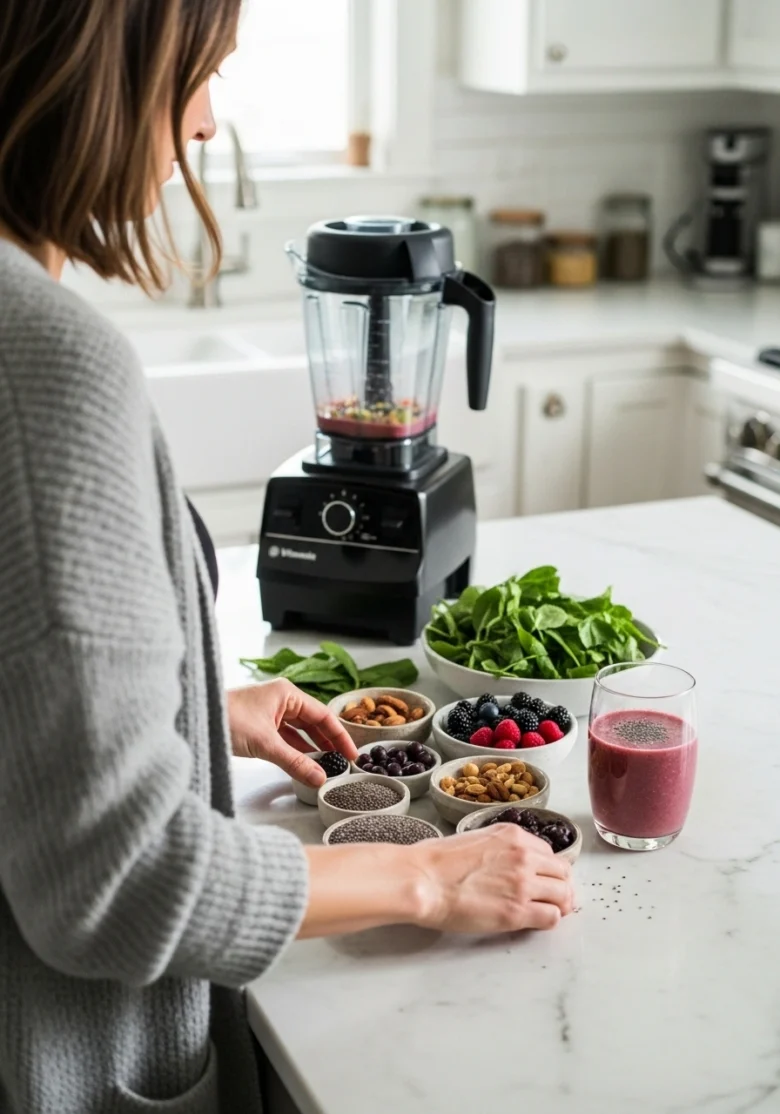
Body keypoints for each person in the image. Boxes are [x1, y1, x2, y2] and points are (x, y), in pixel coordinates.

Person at [0, 2, 575, 1112]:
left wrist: (181, 717)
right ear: (97, 68)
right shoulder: (49, 367)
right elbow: (122, 884)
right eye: (201, 71)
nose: (207, 123)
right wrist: (429, 870)